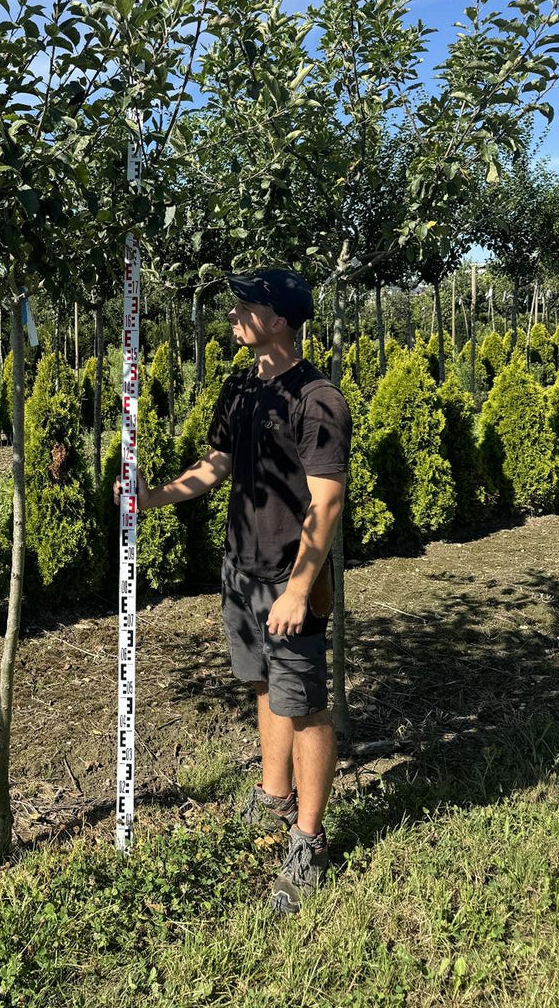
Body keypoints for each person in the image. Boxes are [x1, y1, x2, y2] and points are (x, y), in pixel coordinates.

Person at [114, 267, 351, 915]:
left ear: (277, 317)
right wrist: (151, 496)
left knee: (304, 704)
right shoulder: (242, 386)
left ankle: (309, 838)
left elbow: (326, 505)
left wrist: (300, 588)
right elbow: (216, 465)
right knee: (263, 686)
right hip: (241, 572)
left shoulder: (318, 398)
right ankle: (274, 793)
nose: (231, 314)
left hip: (287, 577)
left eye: (244, 304)